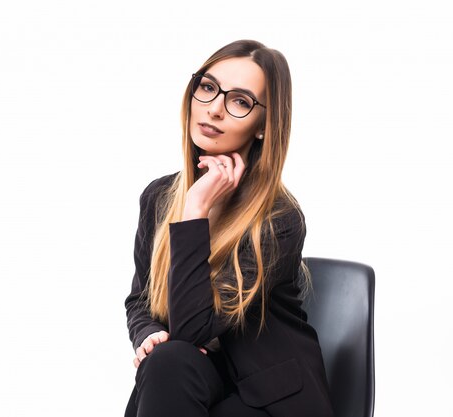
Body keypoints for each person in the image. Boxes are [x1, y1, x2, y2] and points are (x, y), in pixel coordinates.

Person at [124, 39, 334, 417]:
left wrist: (195, 210)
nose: (214, 109)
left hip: (271, 396)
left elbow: (192, 329)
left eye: (239, 101)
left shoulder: (279, 219)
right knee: (167, 361)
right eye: (207, 88)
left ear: (262, 127)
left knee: (174, 362)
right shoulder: (158, 197)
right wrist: (146, 334)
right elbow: (141, 300)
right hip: (197, 376)